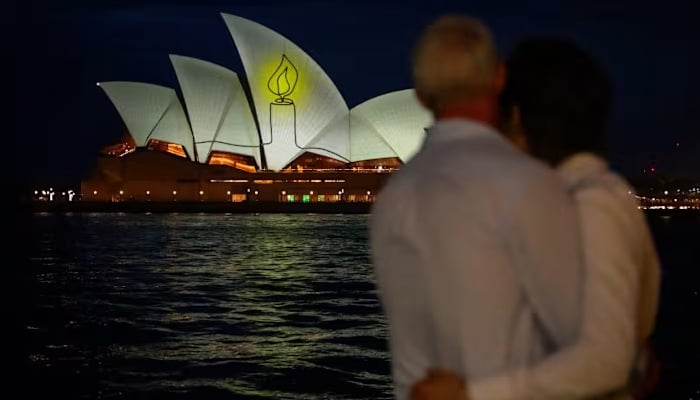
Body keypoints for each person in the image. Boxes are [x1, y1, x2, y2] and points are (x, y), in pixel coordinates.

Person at [409, 37, 661, 400]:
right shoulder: (578, 198)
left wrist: (470, 393)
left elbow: (607, 360)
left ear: (517, 117)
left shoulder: (590, 203)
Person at [369, 16, 584, 400]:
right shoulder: (528, 181)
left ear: (420, 95)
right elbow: (580, 341)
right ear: (499, 77)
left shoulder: (392, 196)